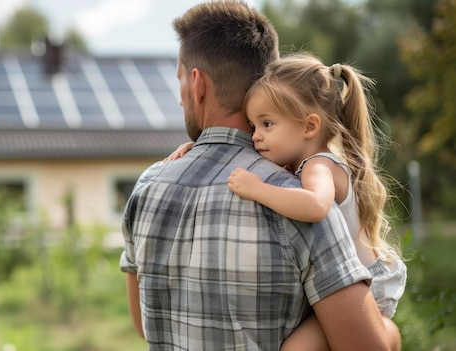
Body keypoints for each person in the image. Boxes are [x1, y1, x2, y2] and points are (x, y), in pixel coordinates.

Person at [119, 1, 400, 350]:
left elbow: (145, 324)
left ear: (197, 84)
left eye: (179, 83)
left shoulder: (146, 187)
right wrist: (389, 332)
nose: (180, 101)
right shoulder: (290, 195)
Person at [167, 53, 407, 351]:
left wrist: (257, 189)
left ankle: (384, 332)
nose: (255, 137)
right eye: (253, 127)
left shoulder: (319, 165)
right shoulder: (297, 160)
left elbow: (315, 205)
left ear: (309, 127)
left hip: (368, 286)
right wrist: (199, 146)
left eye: (267, 124)